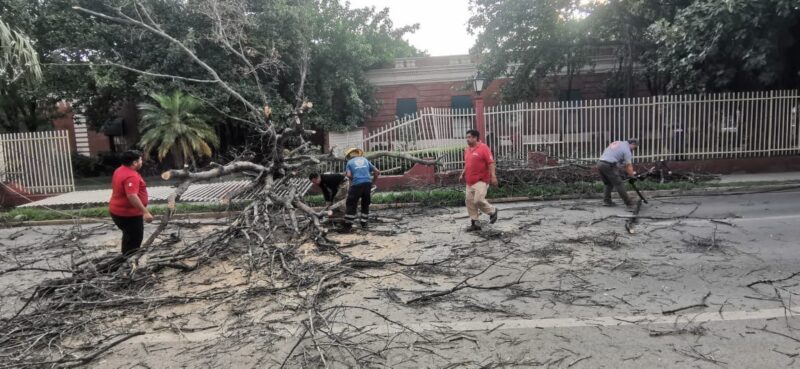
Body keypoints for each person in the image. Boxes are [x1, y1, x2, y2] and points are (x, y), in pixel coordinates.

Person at [109, 150, 153, 256]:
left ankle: (125, 260)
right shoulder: (131, 176)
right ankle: (128, 264)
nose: (142, 161)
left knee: (129, 237)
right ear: (134, 163)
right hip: (128, 215)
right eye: (140, 159)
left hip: (118, 211)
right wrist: (145, 212)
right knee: (134, 242)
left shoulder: (120, 169)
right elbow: (132, 196)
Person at [460, 129, 499, 232]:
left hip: (481, 180)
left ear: (475, 138)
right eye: (467, 137)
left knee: (478, 200)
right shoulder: (467, 150)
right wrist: (463, 173)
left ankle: (493, 211)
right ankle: (475, 223)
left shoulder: (484, 148)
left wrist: (493, 176)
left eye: (469, 137)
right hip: (469, 181)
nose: (467, 139)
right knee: (469, 201)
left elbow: (491, 163)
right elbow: (468, 163)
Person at [341, 148, 379, 232]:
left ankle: (348, 226)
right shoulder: (365, 160)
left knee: (351, 204)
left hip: (356, 185)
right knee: (365, 204)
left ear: (348, 156)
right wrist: (373, 182)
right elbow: (377, 171)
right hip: (367, 184)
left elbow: (349, 175)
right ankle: (364, 224)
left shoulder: (349, 162)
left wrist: (354, 179)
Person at [597, 139, 639, 207]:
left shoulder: (618, 143)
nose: (634, 149)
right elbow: (628, 166)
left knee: (608, 183)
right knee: (619, 183)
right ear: (632, 144)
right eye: (635, 147)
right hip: (608, 165)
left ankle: (607, 201)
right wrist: (632, 176)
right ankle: (628, 202)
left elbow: (614, 156)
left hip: (600, 163)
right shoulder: (627, 150)